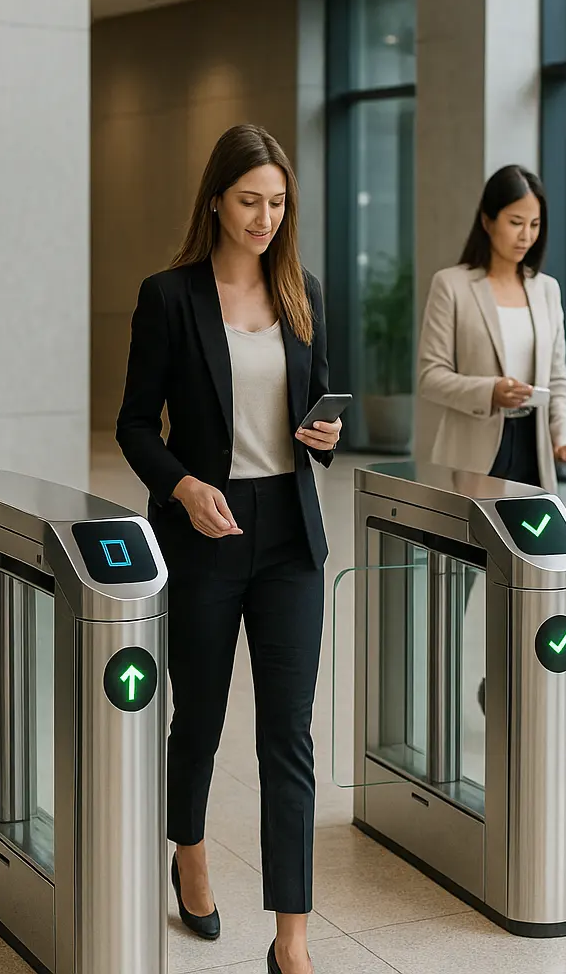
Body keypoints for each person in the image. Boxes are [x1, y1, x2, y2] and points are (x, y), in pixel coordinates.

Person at [116, 123, 339, 974]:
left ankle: (293, 939)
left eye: (277, 203)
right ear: (215, 200)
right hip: (203, 532)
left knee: (289, 735)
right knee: (199, 717)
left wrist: (325, 433)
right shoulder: (169, 297)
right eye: (250, 201)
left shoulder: (303, 292)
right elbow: (136, 426)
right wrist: (182, 487)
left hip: (290, 535)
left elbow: (319, 405)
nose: (264, 218)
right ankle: (191, 851)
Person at [417, 164, 566, 494]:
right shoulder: (451, 285)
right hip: (473, 454)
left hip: (533, 451)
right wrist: (490, 391)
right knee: (477, 529)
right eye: (516, 222)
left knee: (532, 528)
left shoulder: (547, 290)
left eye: (535, 224)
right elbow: (430, 378)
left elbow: (557, 380)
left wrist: (563, 437)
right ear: (487, 221)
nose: (526, 236)